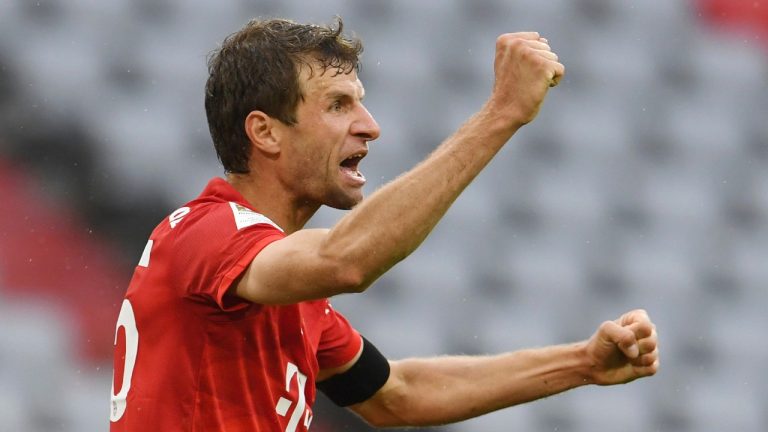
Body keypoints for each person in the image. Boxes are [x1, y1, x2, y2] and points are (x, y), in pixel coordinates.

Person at [109, 17, 659, 431]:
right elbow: (347, 261)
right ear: (266, 132)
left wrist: (581, 363)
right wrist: (502, 113)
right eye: (338, 105)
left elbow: (398, 394)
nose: (370, 127)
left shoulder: (286, 290)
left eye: (361, 104)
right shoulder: (205, 231)